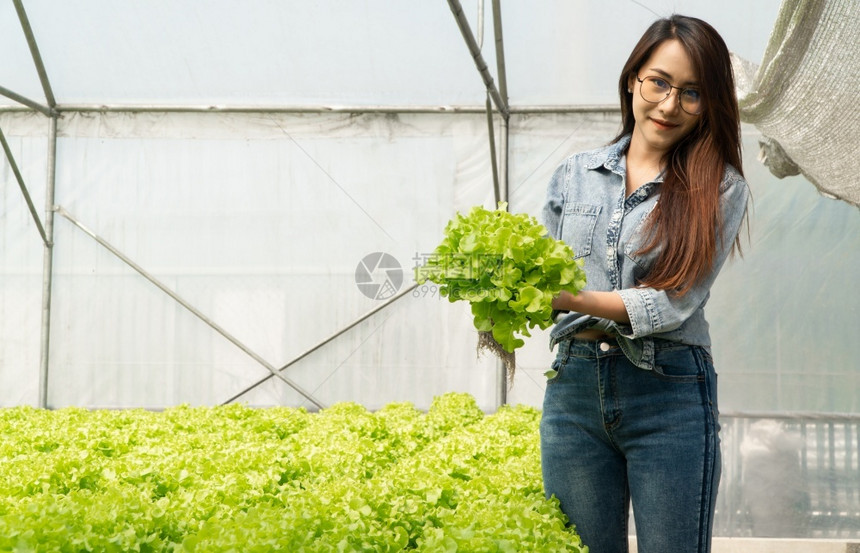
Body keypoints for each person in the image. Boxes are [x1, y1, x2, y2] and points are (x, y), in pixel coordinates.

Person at [540, 14, 749, 553]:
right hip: (574, 393)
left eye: (692, 93)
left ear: (710, 104)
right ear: (633, 78)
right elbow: (542, 271)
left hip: (669, 393)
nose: (668, 105)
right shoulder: (575, 174)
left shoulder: (720, 187)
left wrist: (568, 301)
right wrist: (510, 296)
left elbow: (672, 302)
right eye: (658, 82)